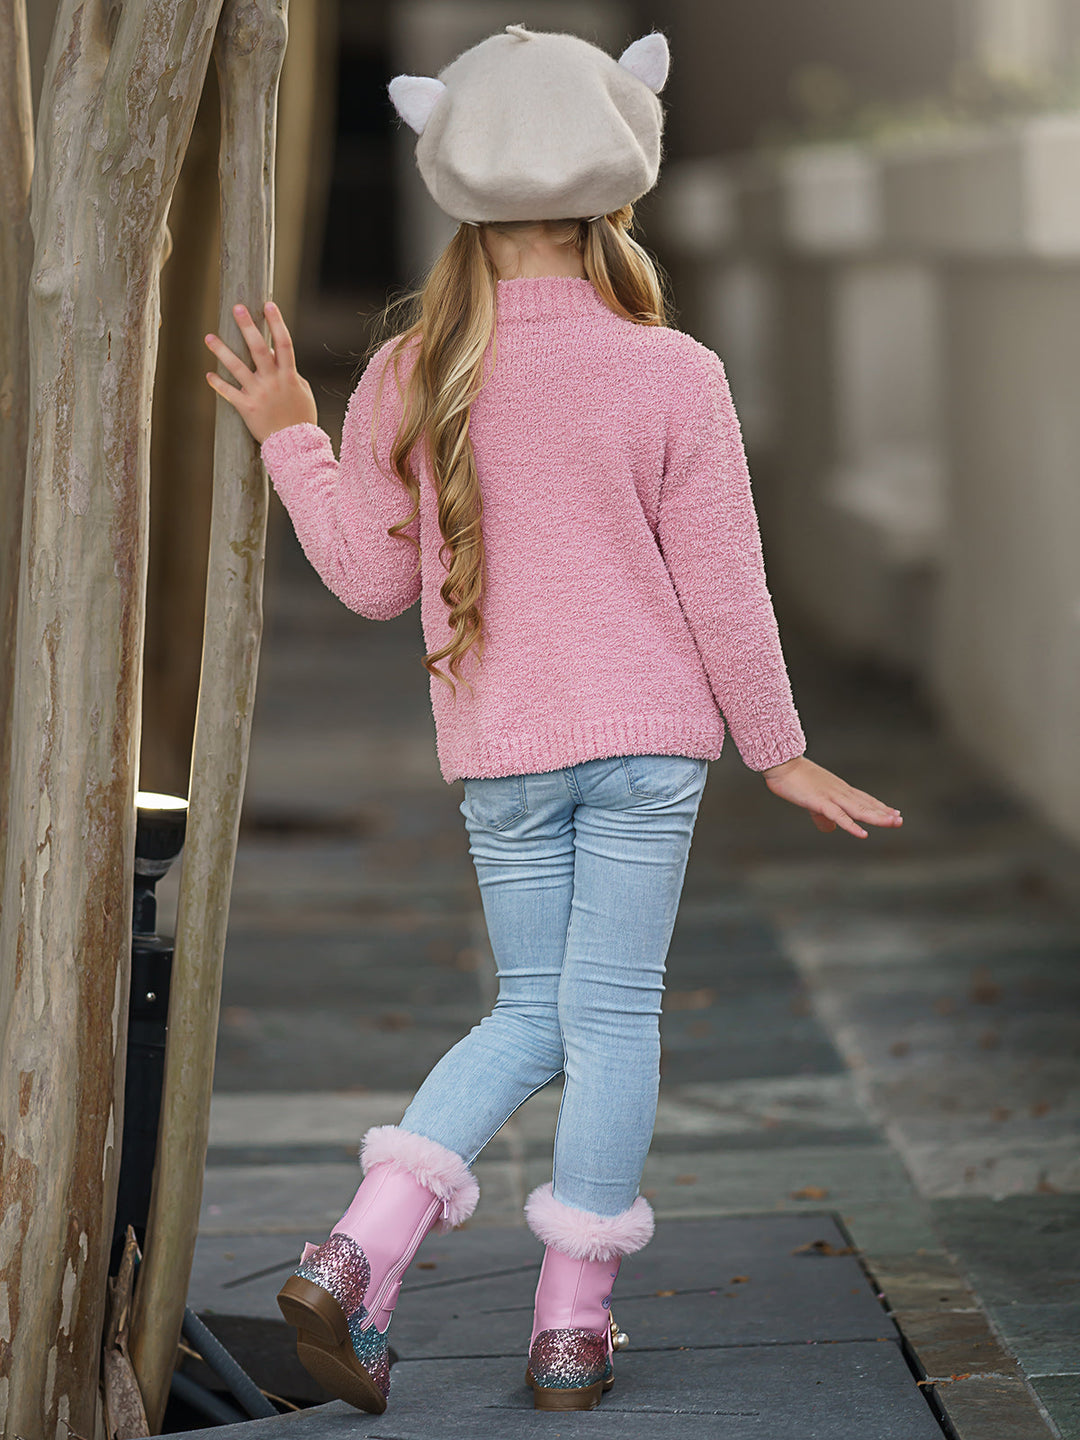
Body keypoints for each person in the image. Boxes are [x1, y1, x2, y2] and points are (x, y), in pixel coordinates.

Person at [204, 23, 903, 1415]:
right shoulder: (673, 372)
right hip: (647, 748)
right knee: (613, 1015)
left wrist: (292, 430)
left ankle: (358, 1253)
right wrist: (777, 747)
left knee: (532, 1011)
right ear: (616, 193)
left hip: (503, 750)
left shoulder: (413, 371)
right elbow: (727, 592)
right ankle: (571, 1332)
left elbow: (369, 578)